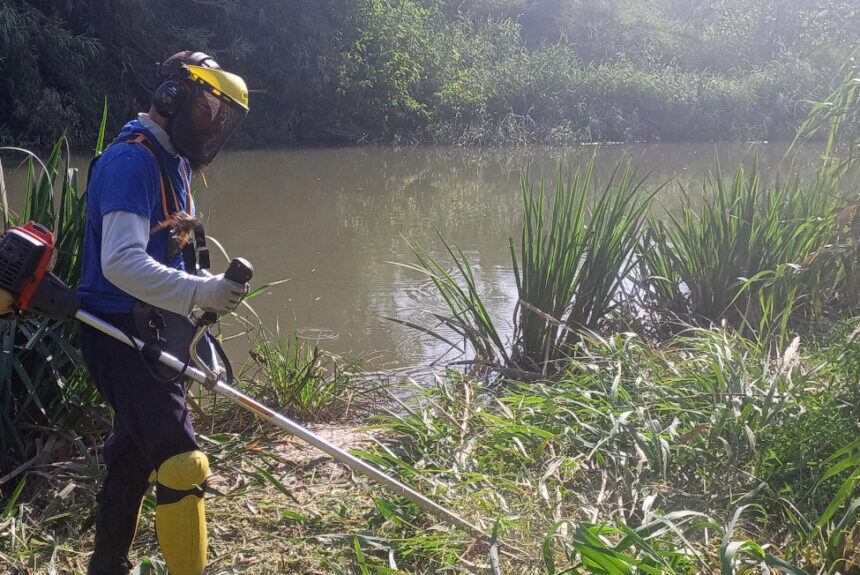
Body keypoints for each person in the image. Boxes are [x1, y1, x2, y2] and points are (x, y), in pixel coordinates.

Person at [77, 51, 250, 575]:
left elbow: (159, 258)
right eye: (206, 109)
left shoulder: (170, 160)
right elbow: (122, 262)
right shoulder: (133, 160)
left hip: (148, 329)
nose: (213, 124)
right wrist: (199, 294)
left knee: (133, 452)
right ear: (172, 96)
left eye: (222, 116)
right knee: (181, 461)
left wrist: (204, 288)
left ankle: (107, 565)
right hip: (114, 331)